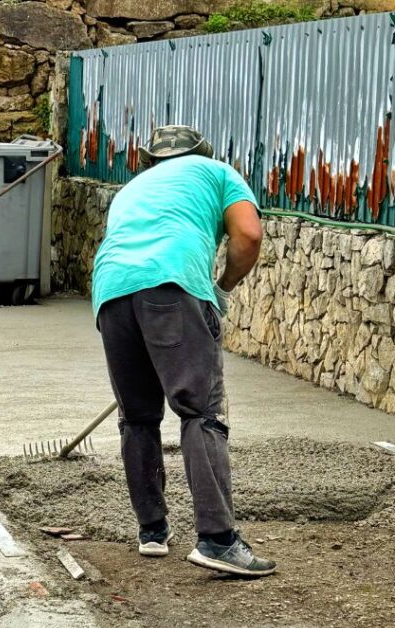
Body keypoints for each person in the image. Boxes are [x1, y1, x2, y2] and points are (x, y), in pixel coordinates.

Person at [91, 125, 275, 577]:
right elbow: (248, 236)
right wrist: (222, 288)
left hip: (111, 292)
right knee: (200, 412)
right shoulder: (217, 172)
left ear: (152, 160)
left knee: (137, 416)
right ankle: (217, 539)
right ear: (203, 152)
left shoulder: (131, 189)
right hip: (172, 286)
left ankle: (152, 531)